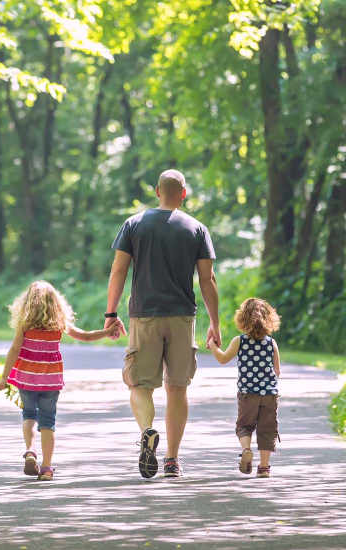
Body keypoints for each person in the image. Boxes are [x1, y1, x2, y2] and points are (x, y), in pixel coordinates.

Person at [104, 169, 220, 478]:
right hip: (183, 317)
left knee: (139, 384)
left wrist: (111, 313)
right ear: (184, 193)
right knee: (177, 388)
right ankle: (172, 460)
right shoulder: (197, 229)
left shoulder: (134, 224)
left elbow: (118, 271)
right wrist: (215, 323)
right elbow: (207, 280)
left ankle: (147, 430)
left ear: (157, 191)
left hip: (145, 315)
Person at [0, 280, 118, 481]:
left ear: (28, 303)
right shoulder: (59, 323)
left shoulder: (25, 325)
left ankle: (30, 450)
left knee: (28, 415)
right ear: (56, 303)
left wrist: (4, 377)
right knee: (48, 422)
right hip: (50, 381)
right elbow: (84, 336)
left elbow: (15, 349)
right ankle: (46, 468)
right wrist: (106, 332)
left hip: (27, 379)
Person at [206, 298, 281, 478]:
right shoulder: (271, 343)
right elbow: (277, 371)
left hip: (248, 393)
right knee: (267, 430)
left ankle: (246, 449)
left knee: (245, 426)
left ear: (242, 319)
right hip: (269, 394)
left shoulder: (239, 341)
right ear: (269, 319)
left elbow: (223, 359)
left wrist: (212, 347)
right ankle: (264, 468)